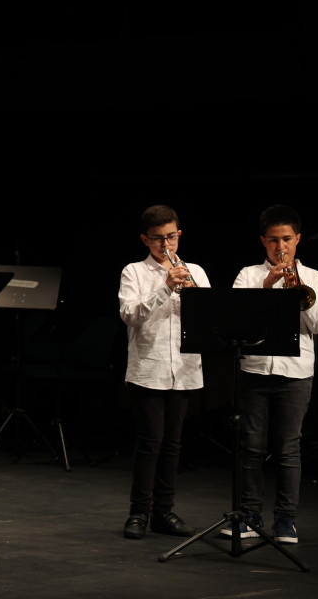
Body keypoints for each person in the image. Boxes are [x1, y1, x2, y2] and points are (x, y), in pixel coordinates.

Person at [226, 204, 318, 544]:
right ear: (263, 241)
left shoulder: (313, 278)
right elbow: (240, 325)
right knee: (251, 446)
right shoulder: (247, 275)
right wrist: (268, 289)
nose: (280, 247)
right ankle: (250, 515)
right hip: (255, 368)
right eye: (273, 240)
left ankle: (286, 520)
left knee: (288, 448)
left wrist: (297, 294)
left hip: (296, 373)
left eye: (286, 239)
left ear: (298, 239)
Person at [118, 204, 210, 540]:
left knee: (173, 445)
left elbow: (209, 321)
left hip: (184, 368)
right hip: (149, 368)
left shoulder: (195, 270)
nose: (166, 245)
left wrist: (197, 298)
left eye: (171, 237)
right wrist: (166, 289)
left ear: (179, 234)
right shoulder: (134, 272)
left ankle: (164, 512)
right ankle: (139, 512)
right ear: (145, 240)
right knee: (149, 443)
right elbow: (130, 315)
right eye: (158, 239)